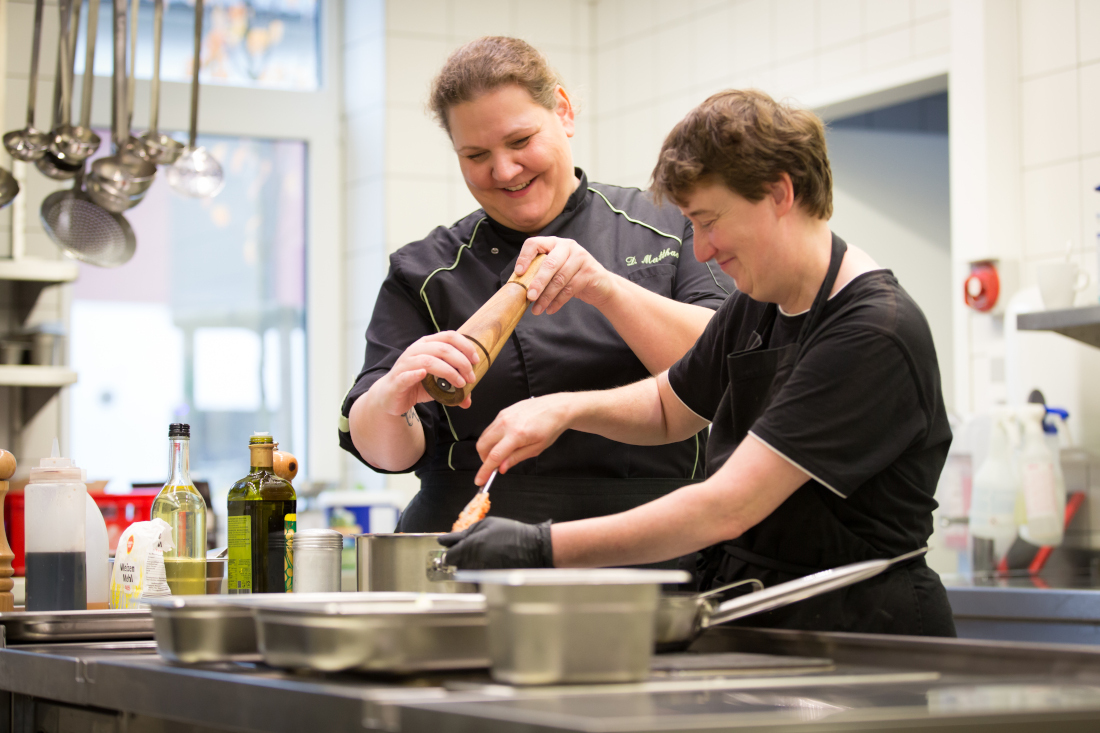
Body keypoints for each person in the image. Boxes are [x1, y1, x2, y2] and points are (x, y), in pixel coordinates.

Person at [441, 89, 956, 637]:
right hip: (766, 613)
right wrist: (563, 409)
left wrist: (537, 547)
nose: (703, 250)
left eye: (709, 221)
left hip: (860, 627)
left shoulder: (871, 332)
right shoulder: (757, 303)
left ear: (779, 192)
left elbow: (727, 506)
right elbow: (671, 407)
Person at [339, 37, 734, 533]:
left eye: (521, 141)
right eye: (475, 154)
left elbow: (723, 368)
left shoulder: (668, 226)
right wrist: (390, 396)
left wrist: (604, 288)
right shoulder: (424, 272)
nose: (503, 170)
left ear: (563, 112)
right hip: (470, 542)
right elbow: (388, 454)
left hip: (652, 537)